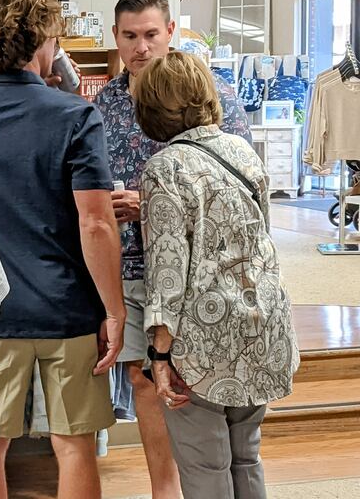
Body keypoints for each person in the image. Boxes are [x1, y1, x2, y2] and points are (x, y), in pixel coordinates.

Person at [0, 0, 125, 499]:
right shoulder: (76, 115)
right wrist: (113, 310)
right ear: (46, 36)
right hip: (65, 306)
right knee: (73, 444)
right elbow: (94, 222)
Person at [93, 0, 252, 498]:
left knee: (193, 381)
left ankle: (206, 482)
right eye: (129, 36)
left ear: (171, 33)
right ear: (115, 38)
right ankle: (166, 489)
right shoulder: (104, 104)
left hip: (206, 269)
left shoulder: (216, 96)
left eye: (150, 34)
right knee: (144, 378)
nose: (140, 47)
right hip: (133, 265)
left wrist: (154, 204)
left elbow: (244, 192)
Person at [133, 51, 299, 498]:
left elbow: (167, 272)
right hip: (262, 324)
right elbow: (261, 235)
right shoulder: (243, 151)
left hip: (202, 340)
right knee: (246, 456)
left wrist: (160, 356)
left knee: (206, 466)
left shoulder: (164, 169)